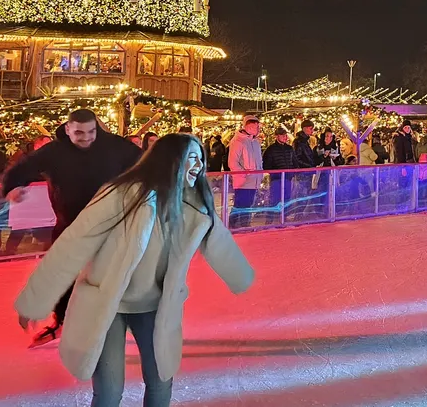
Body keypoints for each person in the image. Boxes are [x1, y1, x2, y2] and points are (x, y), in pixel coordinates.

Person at [14, 134, 254, 407]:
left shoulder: (196, 206)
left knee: (161, 382)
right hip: (108, 304)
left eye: (201, 158)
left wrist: (242, 278)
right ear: (170, 160)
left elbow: (220, 243)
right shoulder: (121, 194)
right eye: (192, 158)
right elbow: (75, 242)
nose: (199, 165)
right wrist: (36, 299)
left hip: (156, 307)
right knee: (108, 391)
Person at [1, 109, 142, 347]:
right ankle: (62, 320)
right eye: (79, 133)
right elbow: (23, 167)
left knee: (111, 275)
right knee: (62, 274)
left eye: (91, 132)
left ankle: (117, 322)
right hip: (70, 225)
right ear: (67, 130)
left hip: (109, 224)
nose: (86, 138)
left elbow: (145, 163)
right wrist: (13, 186)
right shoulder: (55, 151)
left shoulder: (115, 146)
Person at [226, 115, 263, 229]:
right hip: (244, 181)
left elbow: (258, 161)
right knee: (241, 204)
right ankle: (235, 225)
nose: (258, 129)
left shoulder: (255, 142)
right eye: (256, 127)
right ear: (249, 126)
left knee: (248, 204)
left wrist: (259, 174)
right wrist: (243, 174)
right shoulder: (238, 141)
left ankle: (244, 224)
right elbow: (232, 162)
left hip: (254, 179)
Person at [262, 126, 295, 208]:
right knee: (275, 198)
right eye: (283, 135)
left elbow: (295, 162)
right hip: (276, 178)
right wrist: (274, 173)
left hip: (288, 177)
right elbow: (266, 165)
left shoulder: (289, 148)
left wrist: (292, 173)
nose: (285, 137)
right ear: (277, 136)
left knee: (287, 197)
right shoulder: (271, 149)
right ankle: (272, 217)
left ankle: (285, 216)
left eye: (285, 135)